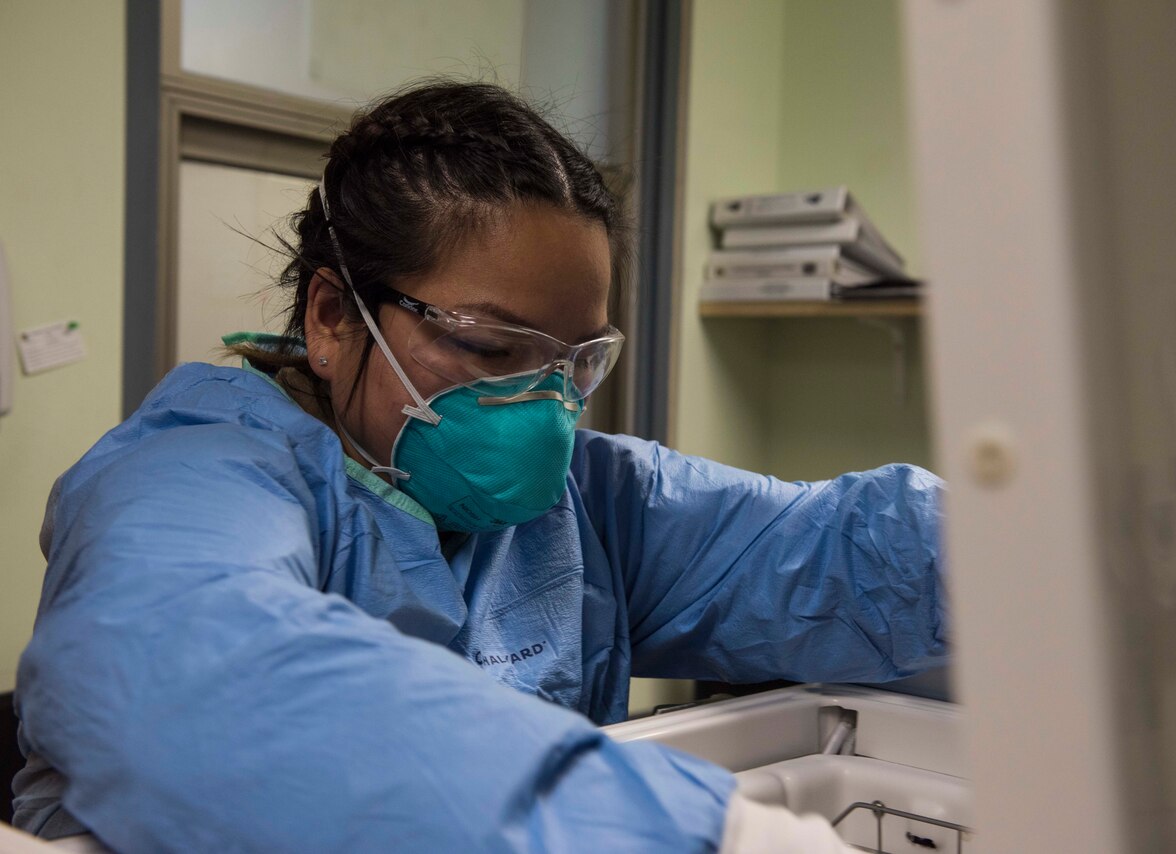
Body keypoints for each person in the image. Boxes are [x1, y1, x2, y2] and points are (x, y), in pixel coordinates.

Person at [10, 80, 948, 852]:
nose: (546, 406)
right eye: (495, 349)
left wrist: (1054, 539)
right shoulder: (191, 478)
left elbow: (836, 555)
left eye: (575, 361)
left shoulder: (590, 509)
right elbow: (198, 678)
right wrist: (710, 835)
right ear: (334, 318)